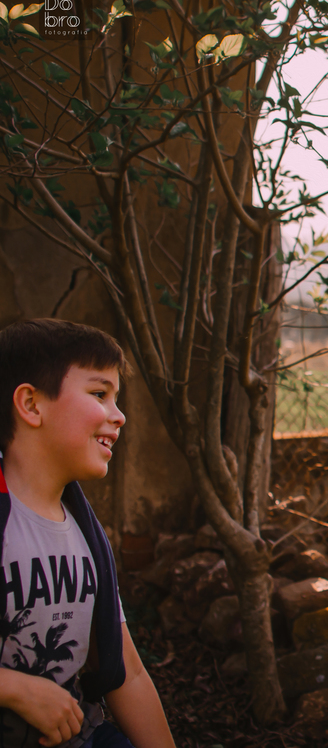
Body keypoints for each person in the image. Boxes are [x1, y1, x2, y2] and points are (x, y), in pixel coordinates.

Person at [0, 319, 176, 748]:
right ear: (31, 404)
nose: (120, 415)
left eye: (117, 398)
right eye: (100, 394)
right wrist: (14, 688)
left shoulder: (86, 533)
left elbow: (128, 673)